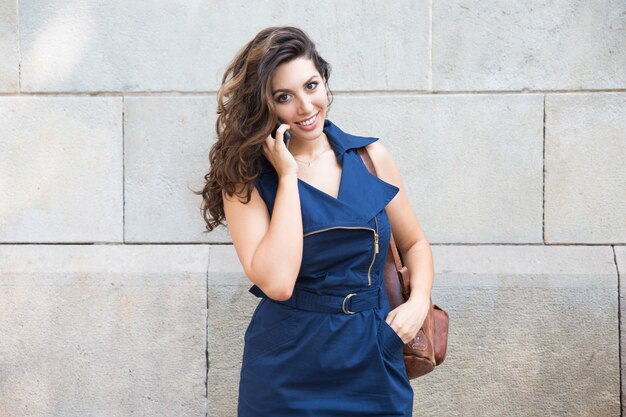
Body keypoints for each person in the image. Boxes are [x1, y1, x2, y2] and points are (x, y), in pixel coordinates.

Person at [195, 26, 434, 417]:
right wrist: (287, 177)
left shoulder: (371, 157)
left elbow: (414, 244)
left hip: (373, 350)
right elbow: (277, 282)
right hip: (287, 365)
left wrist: (419, 302)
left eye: (311, 86)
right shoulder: (246, 179)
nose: (305, 107)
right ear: (265, 104)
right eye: (284, 96)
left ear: (324, 81)